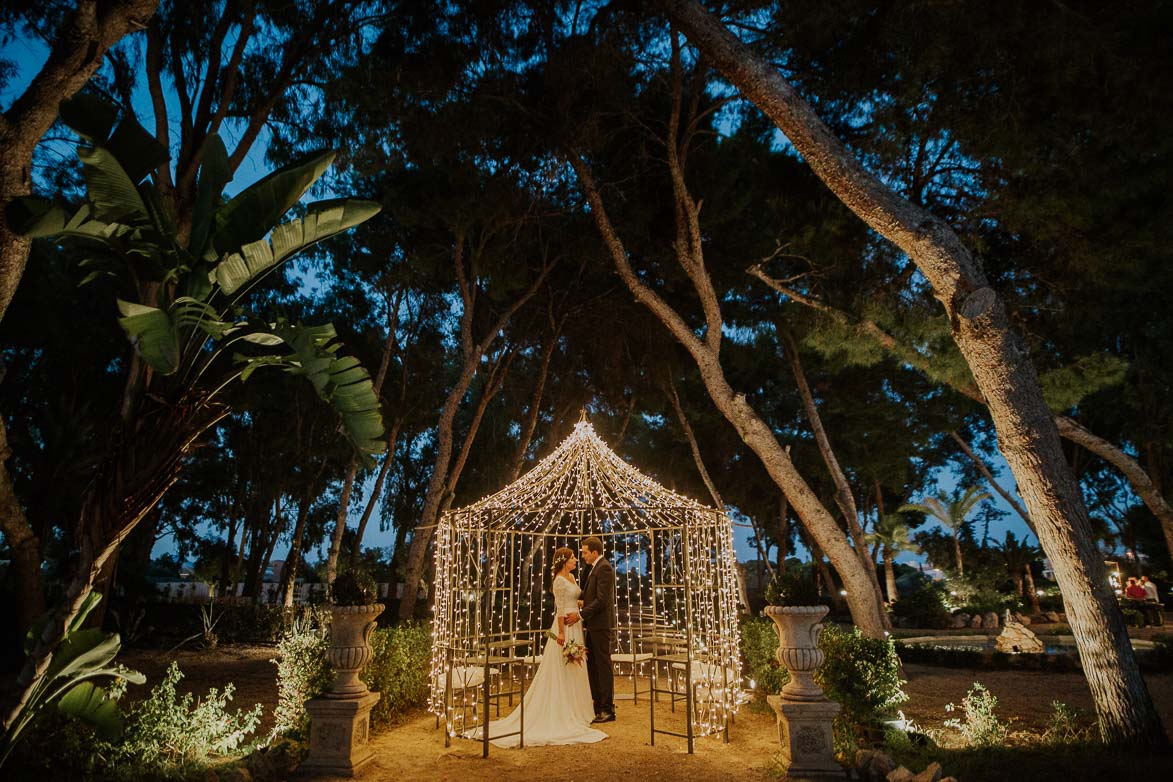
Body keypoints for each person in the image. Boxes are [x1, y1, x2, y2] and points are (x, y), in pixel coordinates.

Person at [468, 547, 607, 748]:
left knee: (576, 666)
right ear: (564, 561)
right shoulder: (559, 581)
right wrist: (560, 633)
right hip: (565, 626)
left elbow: (574, 599)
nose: (576, 560)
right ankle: (561, 708)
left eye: (577, 557)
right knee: (563, 665)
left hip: (576, 623)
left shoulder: (573, 577)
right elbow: (560, 608)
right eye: (573, 558)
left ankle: (579, 708)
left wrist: (582, 605)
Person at [565, 536, 616, 724]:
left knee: (602, 665)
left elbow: (602, 600)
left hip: (600, 624)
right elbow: (595, 597)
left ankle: (608, 708)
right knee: (593, 664)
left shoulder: (604, 568)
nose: (583, 556)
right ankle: (597, 704)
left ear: (595, 552)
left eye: (585, 552)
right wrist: (582, 602)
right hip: (593, 624)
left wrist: (580, 614)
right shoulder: (595, 567)